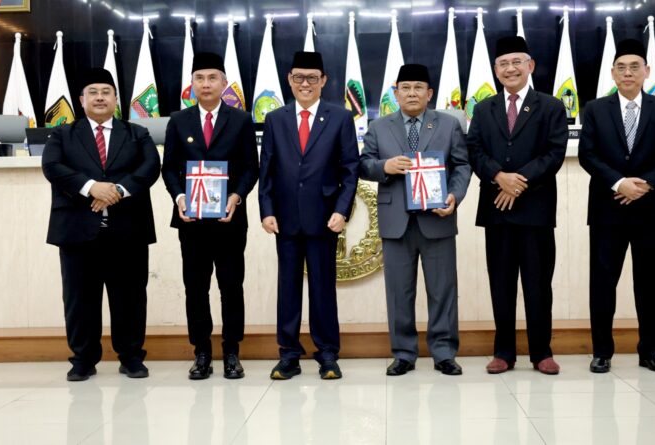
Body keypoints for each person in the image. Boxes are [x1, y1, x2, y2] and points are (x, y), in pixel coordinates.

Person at [42, 68, 159, 381]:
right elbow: (52, 166)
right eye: (92, 92)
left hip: (128, 231)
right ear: (81, 100)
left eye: (106, 92)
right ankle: (83, 359)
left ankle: (131, 357)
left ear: (116, 99)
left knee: (130, 298)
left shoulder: (137, 133)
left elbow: (150, 168)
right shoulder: (62, 134)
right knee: (80, 299)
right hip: (78, 232)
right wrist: (90, 187)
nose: (99, 97)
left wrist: (116, 191)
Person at [578, 39, 655, 374]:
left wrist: (645, 184)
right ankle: (602, 352)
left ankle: (650, 350)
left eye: (634, 67)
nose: (628, 73)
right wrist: (619, 182)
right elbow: (588, 155)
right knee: (603, 283)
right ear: (612, 73)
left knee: (652, 284)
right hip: (608, 210)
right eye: (621, 68)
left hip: (651, 211)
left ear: (646, 71)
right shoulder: (595, 109)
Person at [359, 63, 471, 376]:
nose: (411, 93)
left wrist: (454, 196)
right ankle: (404, 354)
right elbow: (363, 164)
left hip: (437, 217)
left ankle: (444, 353)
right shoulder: (380, 126)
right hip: (396, 221)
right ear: (395, 92)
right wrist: (385, 166)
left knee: (442, 290)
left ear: (429, 93)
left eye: (418, 87)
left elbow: (462, 166)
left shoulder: (448, 124)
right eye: (405, 87)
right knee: (399, 291)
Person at [466, 36, 567, 375]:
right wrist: (498, 176)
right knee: (502, 283)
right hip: (497, 209)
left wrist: (517, 180)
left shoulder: (550, 106)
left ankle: (542, 352)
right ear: (495, 70)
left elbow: (554, 154)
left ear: (530, 66)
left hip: (535, 210)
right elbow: (474, 150)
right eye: (503, 64)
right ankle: (503, 352)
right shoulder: (482, 109)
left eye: (516, 62)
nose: (510, 69)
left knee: (539, 284)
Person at [258, 51, 359, 380]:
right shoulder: (275, 119)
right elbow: (267, 171)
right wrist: (267, 211)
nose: (305, 84)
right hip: (285, 219)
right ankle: (288, 353)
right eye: (299, 77)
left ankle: (327, 353)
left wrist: (342, 210)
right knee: (288, 287)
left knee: (322, 287)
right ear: (289, 80)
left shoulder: (340, 117)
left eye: (312, 78)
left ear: (323, 81)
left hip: (324, 217)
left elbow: (350, 170)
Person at [162, 52, 259, 380]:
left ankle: (232, 352)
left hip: (229, 219)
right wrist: (179, 197)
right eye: (199, 78)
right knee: (195, 287)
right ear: (192, 84)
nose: (206, 84)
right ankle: (201, 352)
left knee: (232, 286)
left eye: (212, 78)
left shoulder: (241, 120)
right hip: (191, 222)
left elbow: (250, 167)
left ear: (224, 83)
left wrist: (237, 196)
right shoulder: (178, 120)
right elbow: (169, 168)